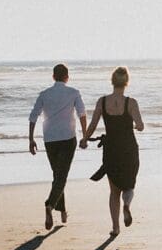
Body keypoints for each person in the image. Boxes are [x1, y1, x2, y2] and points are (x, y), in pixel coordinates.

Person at [80, 66, 143, 237]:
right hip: (129, 148)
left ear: (112, 81)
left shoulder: (102, 101)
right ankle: (127, 205)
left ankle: (115, 228)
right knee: (129, 185)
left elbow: (92, 125)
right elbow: (141, 126)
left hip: (112, 150)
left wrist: (85, 139)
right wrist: (136, 125)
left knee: (114, 191)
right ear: (126, 82)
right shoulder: (131, 102)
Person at [29, 63, 87, 230]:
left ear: (53, 76)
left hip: (50, 139)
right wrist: (85, 136)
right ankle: (50, 205)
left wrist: (31, 139)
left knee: (58, 175)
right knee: (61, 177)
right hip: (68, 138)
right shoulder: (74, 93)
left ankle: (62, 210)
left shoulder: (44, 94)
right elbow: (82, 114)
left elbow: (33, 116)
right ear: (67, 77)